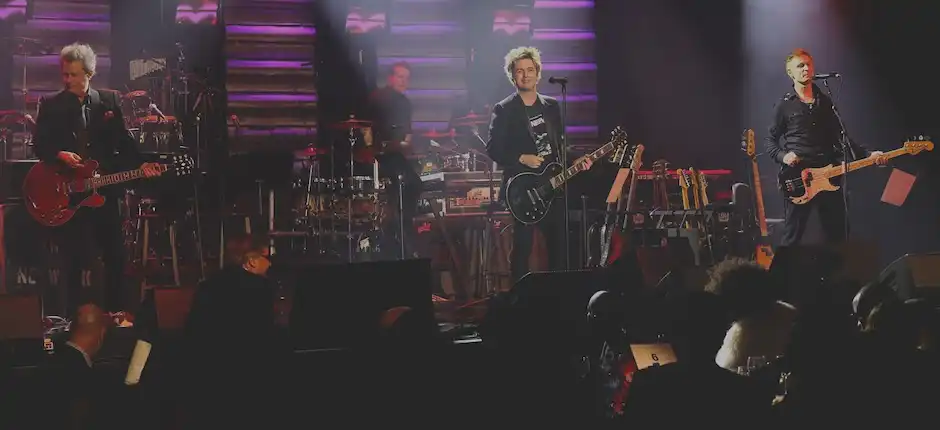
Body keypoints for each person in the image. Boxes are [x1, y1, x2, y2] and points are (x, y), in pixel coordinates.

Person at [33, 43, 162, 318]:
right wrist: (59, 154)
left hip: (104, 191)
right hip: (70, 196)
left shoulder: (109, 102)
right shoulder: (52, 105)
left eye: (74, 75)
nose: (67, 80)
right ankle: (70, 319)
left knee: (115, 255)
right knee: (74, 261)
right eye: (65, 74)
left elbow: (124, 143)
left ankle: (115, 314)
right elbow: (39, 145)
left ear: (89, 73)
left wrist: (142, 165)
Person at [485, 46, 592, 283]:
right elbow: (493, 148)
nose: (525, 75)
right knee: (522, 249)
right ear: (513, 76)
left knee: (559, 247)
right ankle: (520, 301)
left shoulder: (552, 106)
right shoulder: (504, 109)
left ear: (538, 73)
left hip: (552, 185)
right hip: (522, 189)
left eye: (530, 70)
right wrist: (521, 158)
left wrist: (577, 160)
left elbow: (560, 146)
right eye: (520, 71)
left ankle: (557, 298)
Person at [764, 48, 886, 246]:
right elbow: (769, 141)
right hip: (799, 176)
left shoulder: (825, 102)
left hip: (829, 173)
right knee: (792, 236)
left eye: (808, 64)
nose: (806, 69)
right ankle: (782, 275)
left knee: (838, 235)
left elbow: (843, 138)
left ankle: (839, 275)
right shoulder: (784, 106)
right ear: (790, 73)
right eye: (800, 66)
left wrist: (868, 154)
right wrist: (784, 156)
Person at [363, 62, 422, 257]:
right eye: (399, 76)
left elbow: (407, 135)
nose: (403, 81)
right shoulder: (377, 98)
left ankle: (402, 228)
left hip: (395, 154)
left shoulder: (405, 103)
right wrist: (369, 150)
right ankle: (398, 230)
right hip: (380, 155)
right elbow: (366, 128)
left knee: (412, 184)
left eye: (406, 78)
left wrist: (406, 147)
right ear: (390, 78)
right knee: (410, 184)